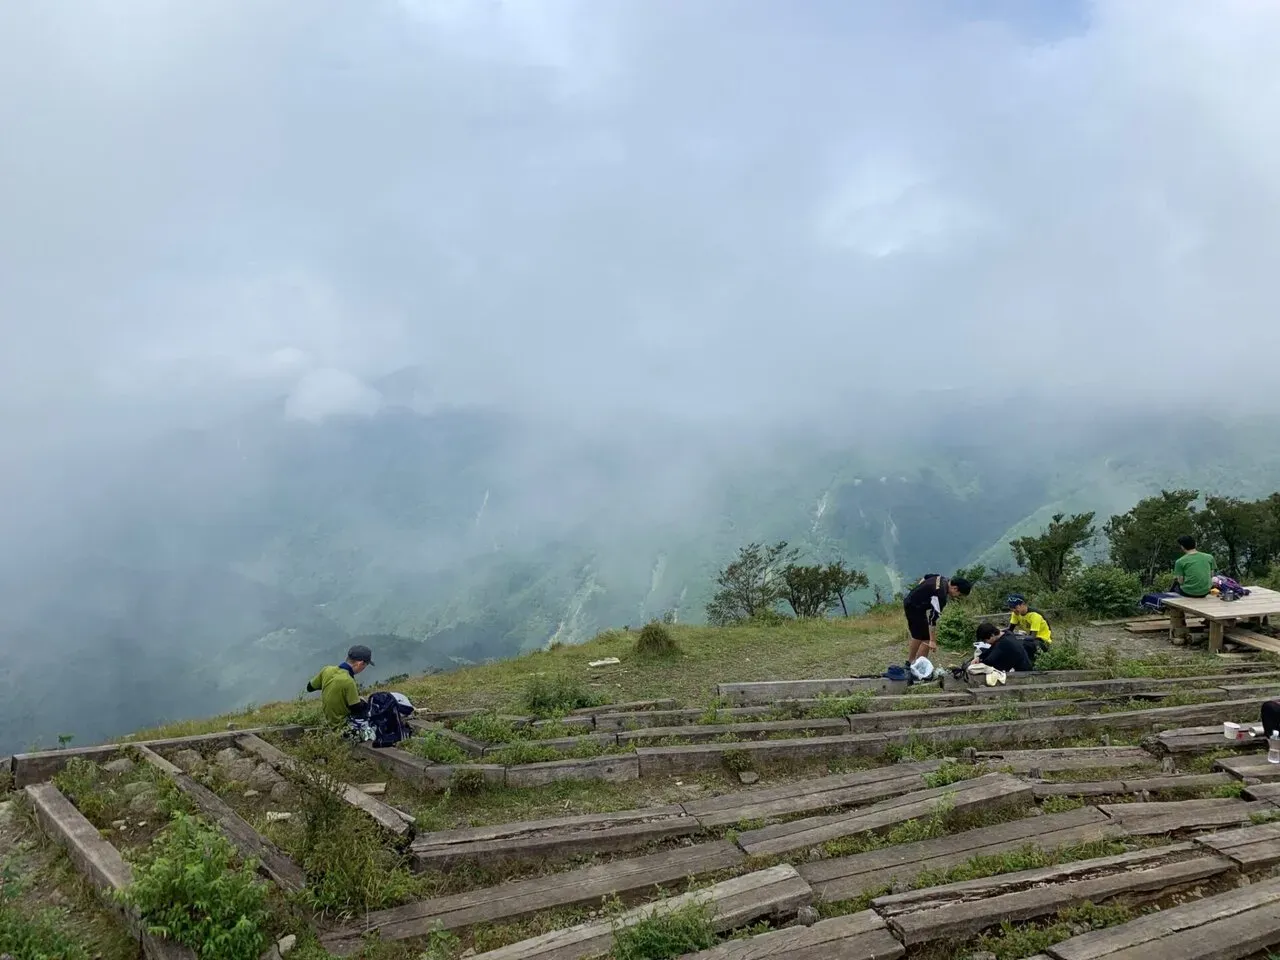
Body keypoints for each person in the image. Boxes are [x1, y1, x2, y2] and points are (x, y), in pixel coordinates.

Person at [903, 574, 973, 663]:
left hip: (914, 603)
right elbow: (932, 619)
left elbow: (926, 577)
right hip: (913, 607)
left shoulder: (942, 578)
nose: (957, 597)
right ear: (955, 588)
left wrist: (919, 590)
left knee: (923, 636)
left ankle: (915, 663)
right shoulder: (941, 595)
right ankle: (912, 663)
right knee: (921, 636)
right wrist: (933, 641)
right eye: (959, 595)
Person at [307, 644, 375, 729]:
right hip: (342, 726)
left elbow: (309, 687)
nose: (363, 669)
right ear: (360, 663)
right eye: (365, 666)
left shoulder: (327, 670)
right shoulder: (348, 681)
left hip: (329, 721)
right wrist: (363, 702)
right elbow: (356, 708)